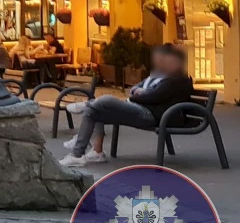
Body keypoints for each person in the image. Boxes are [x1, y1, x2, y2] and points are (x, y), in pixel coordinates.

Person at [60, 45, 194, 167]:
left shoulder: (177, 79)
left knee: (105, 101)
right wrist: (140, 92)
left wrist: (139, 95)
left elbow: (152, 97)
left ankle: (82, 130)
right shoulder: (158, 75)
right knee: (93, 110)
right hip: (141, 107)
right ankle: (93, 153)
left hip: (150, 114)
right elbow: (138, 87)